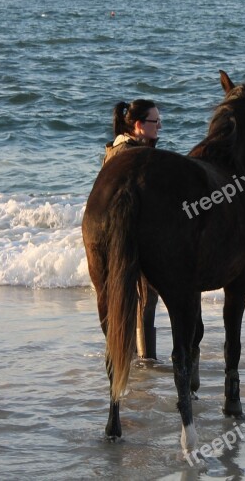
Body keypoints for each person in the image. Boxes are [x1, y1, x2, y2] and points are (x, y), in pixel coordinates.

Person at [102, 99, 162, 360]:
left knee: (130, 297)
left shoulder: (116, 150)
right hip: (131, 234)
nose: (159, 126)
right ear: (139, 125)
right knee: (145, 296)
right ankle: (144, 360)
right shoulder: (133, 154)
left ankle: (132, 357)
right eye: (154, 121)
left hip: (112, 234)